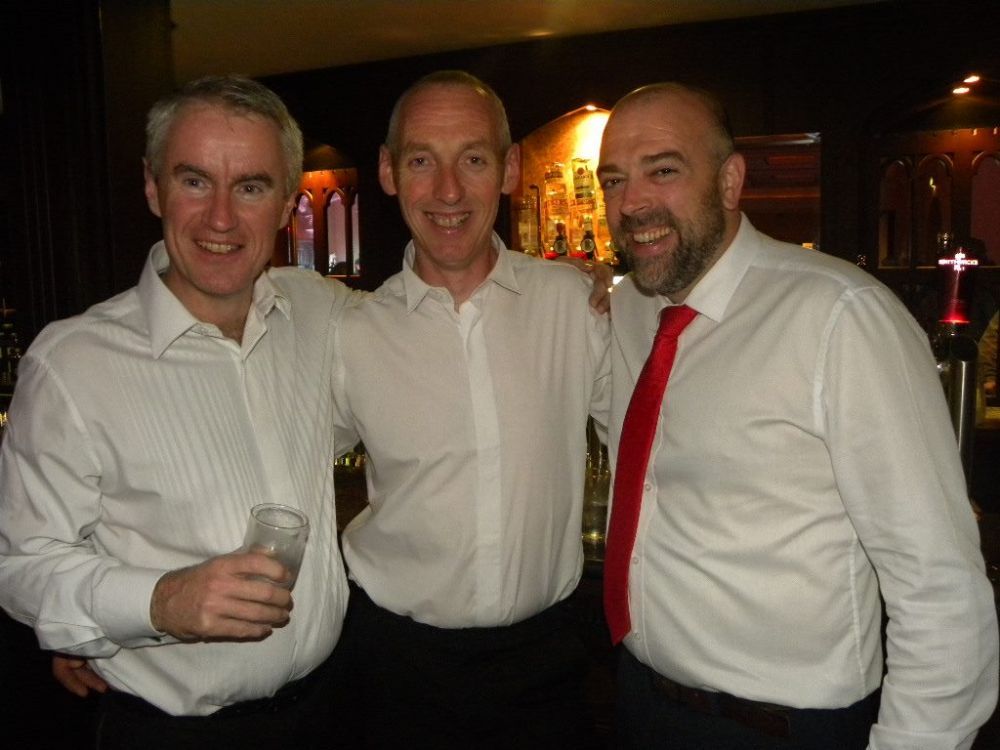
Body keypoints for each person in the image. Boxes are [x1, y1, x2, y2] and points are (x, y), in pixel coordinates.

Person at [596, 82, 998, 749]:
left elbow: (938, 584)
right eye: (614, 180)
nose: (631, 203)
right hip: (642, 701)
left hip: (781, 727)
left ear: (730, 181)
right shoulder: (634, 308)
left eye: (662, 171)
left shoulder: (840, 316)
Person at [0, 75, 357, 749]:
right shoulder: (73, 363)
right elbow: (22, 566)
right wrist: (156, 603)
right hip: (170, 735)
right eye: (194, 181)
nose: (220, 218)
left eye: (250, 187)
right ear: (152, 186)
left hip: (329, 713)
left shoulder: (320, 312)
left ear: (287, 203)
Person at [329, 70, 611, 748]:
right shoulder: (349, 332)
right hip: (395, 668)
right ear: (389, 172)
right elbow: (269, 465)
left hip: (551, 663)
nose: (449, 191)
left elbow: (661, 442)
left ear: (509, 170)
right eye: (422, 161)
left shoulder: (575, 305)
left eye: (474, 160)